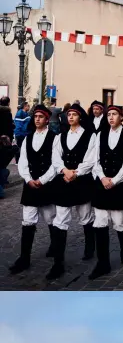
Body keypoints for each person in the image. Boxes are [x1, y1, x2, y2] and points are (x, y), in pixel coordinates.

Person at [47, 104, 96, 280]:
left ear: (80, 117)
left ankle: (90, 247)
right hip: (64, 181)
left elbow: (91, 159)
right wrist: (64, 171)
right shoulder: (60, 136)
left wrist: (76, 173)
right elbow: (55, 156)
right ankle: (58, 263)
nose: (71, 117)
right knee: (60, 220)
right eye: (69, 115)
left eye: (74, 114)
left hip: (82, 181)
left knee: (85, 216)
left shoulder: (90, 136)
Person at [89, 105, 123, 279]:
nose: (111, 117)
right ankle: (103, 263)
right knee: (99, 222)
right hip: (102, 184)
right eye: (108, 114)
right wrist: (102, 178)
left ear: (121, 117)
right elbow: (96, 160)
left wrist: (114, 180)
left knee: (120, 221)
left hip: (120, 185)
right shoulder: (100, 135)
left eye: (114, 114)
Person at [9, 105, 56, 274]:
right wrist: (28, 179)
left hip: (47, 184)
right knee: (28, 221)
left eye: (40, 117)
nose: (37, 119)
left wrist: (43, 180)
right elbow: (22, 162)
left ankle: (55, 248)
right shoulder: (28, 139)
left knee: (51, 217)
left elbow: (56, 163)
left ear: (47, 119)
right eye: (35, 116)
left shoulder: (54, 138)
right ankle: (24, 258)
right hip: (30, 186)